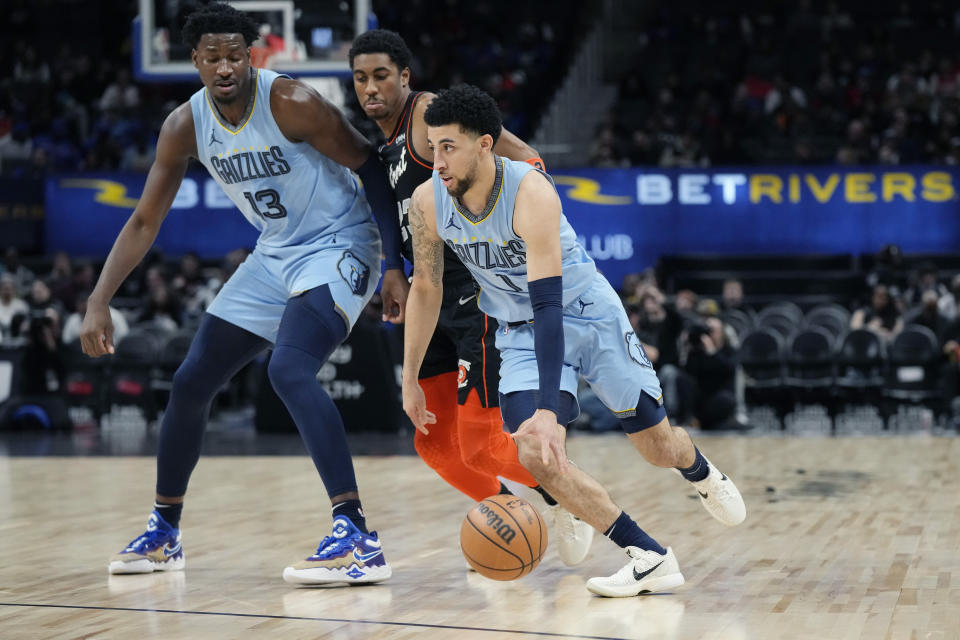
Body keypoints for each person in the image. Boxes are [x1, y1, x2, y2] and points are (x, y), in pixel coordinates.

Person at [81, 3, 407, 586]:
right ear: (196, 61)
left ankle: (358, 534)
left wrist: (394, 264)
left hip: (342, 242)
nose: (226, 65)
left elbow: (371, 167)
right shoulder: (184, 125)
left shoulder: (291, 102)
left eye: (236, 54)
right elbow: (143, 222)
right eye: (213, 57)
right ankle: (164, 531)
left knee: (289, 370)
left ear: (251, 55)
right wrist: (99, 299)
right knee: (191, 380)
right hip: (276, 251)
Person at [401, 85, 746, 597]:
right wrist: (409, 378)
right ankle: (648, 555)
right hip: (518, 333)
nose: (438, 161)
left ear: (485, 145)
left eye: (449, 147)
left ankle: (698, 469)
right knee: (536, 452)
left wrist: (548, 408)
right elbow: (426, 288)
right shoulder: (427, 202)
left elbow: (548, 304)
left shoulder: (532, 193)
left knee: (657, 447)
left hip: (587, 317)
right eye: (432, 147)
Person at [348, 29, 592, 565]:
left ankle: (564, 494)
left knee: (481, 443)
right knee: (434, 443)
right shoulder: (386, 144)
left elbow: (524, 157)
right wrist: (394, 269)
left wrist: (524, 230)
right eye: (361, 78)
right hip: (429, 291)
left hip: (475, 293)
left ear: (405, 77)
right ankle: (508, 520)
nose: (370, 87)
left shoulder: (428, 115)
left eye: (382, 75)